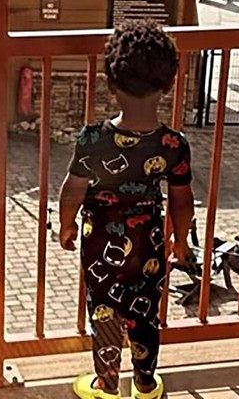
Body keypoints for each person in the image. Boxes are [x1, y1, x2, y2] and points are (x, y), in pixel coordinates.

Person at [58, 20, 195, 399]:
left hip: (99, 246)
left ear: (111, 83)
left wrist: (66, 225)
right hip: (149, 244)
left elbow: (73, 188)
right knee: (145, 313)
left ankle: (106, 386)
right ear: (168, 84)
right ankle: (145, 384)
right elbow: (182, 200)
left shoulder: (93, 139)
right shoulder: (173, 144)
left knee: (103, 311)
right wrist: (181, 241)